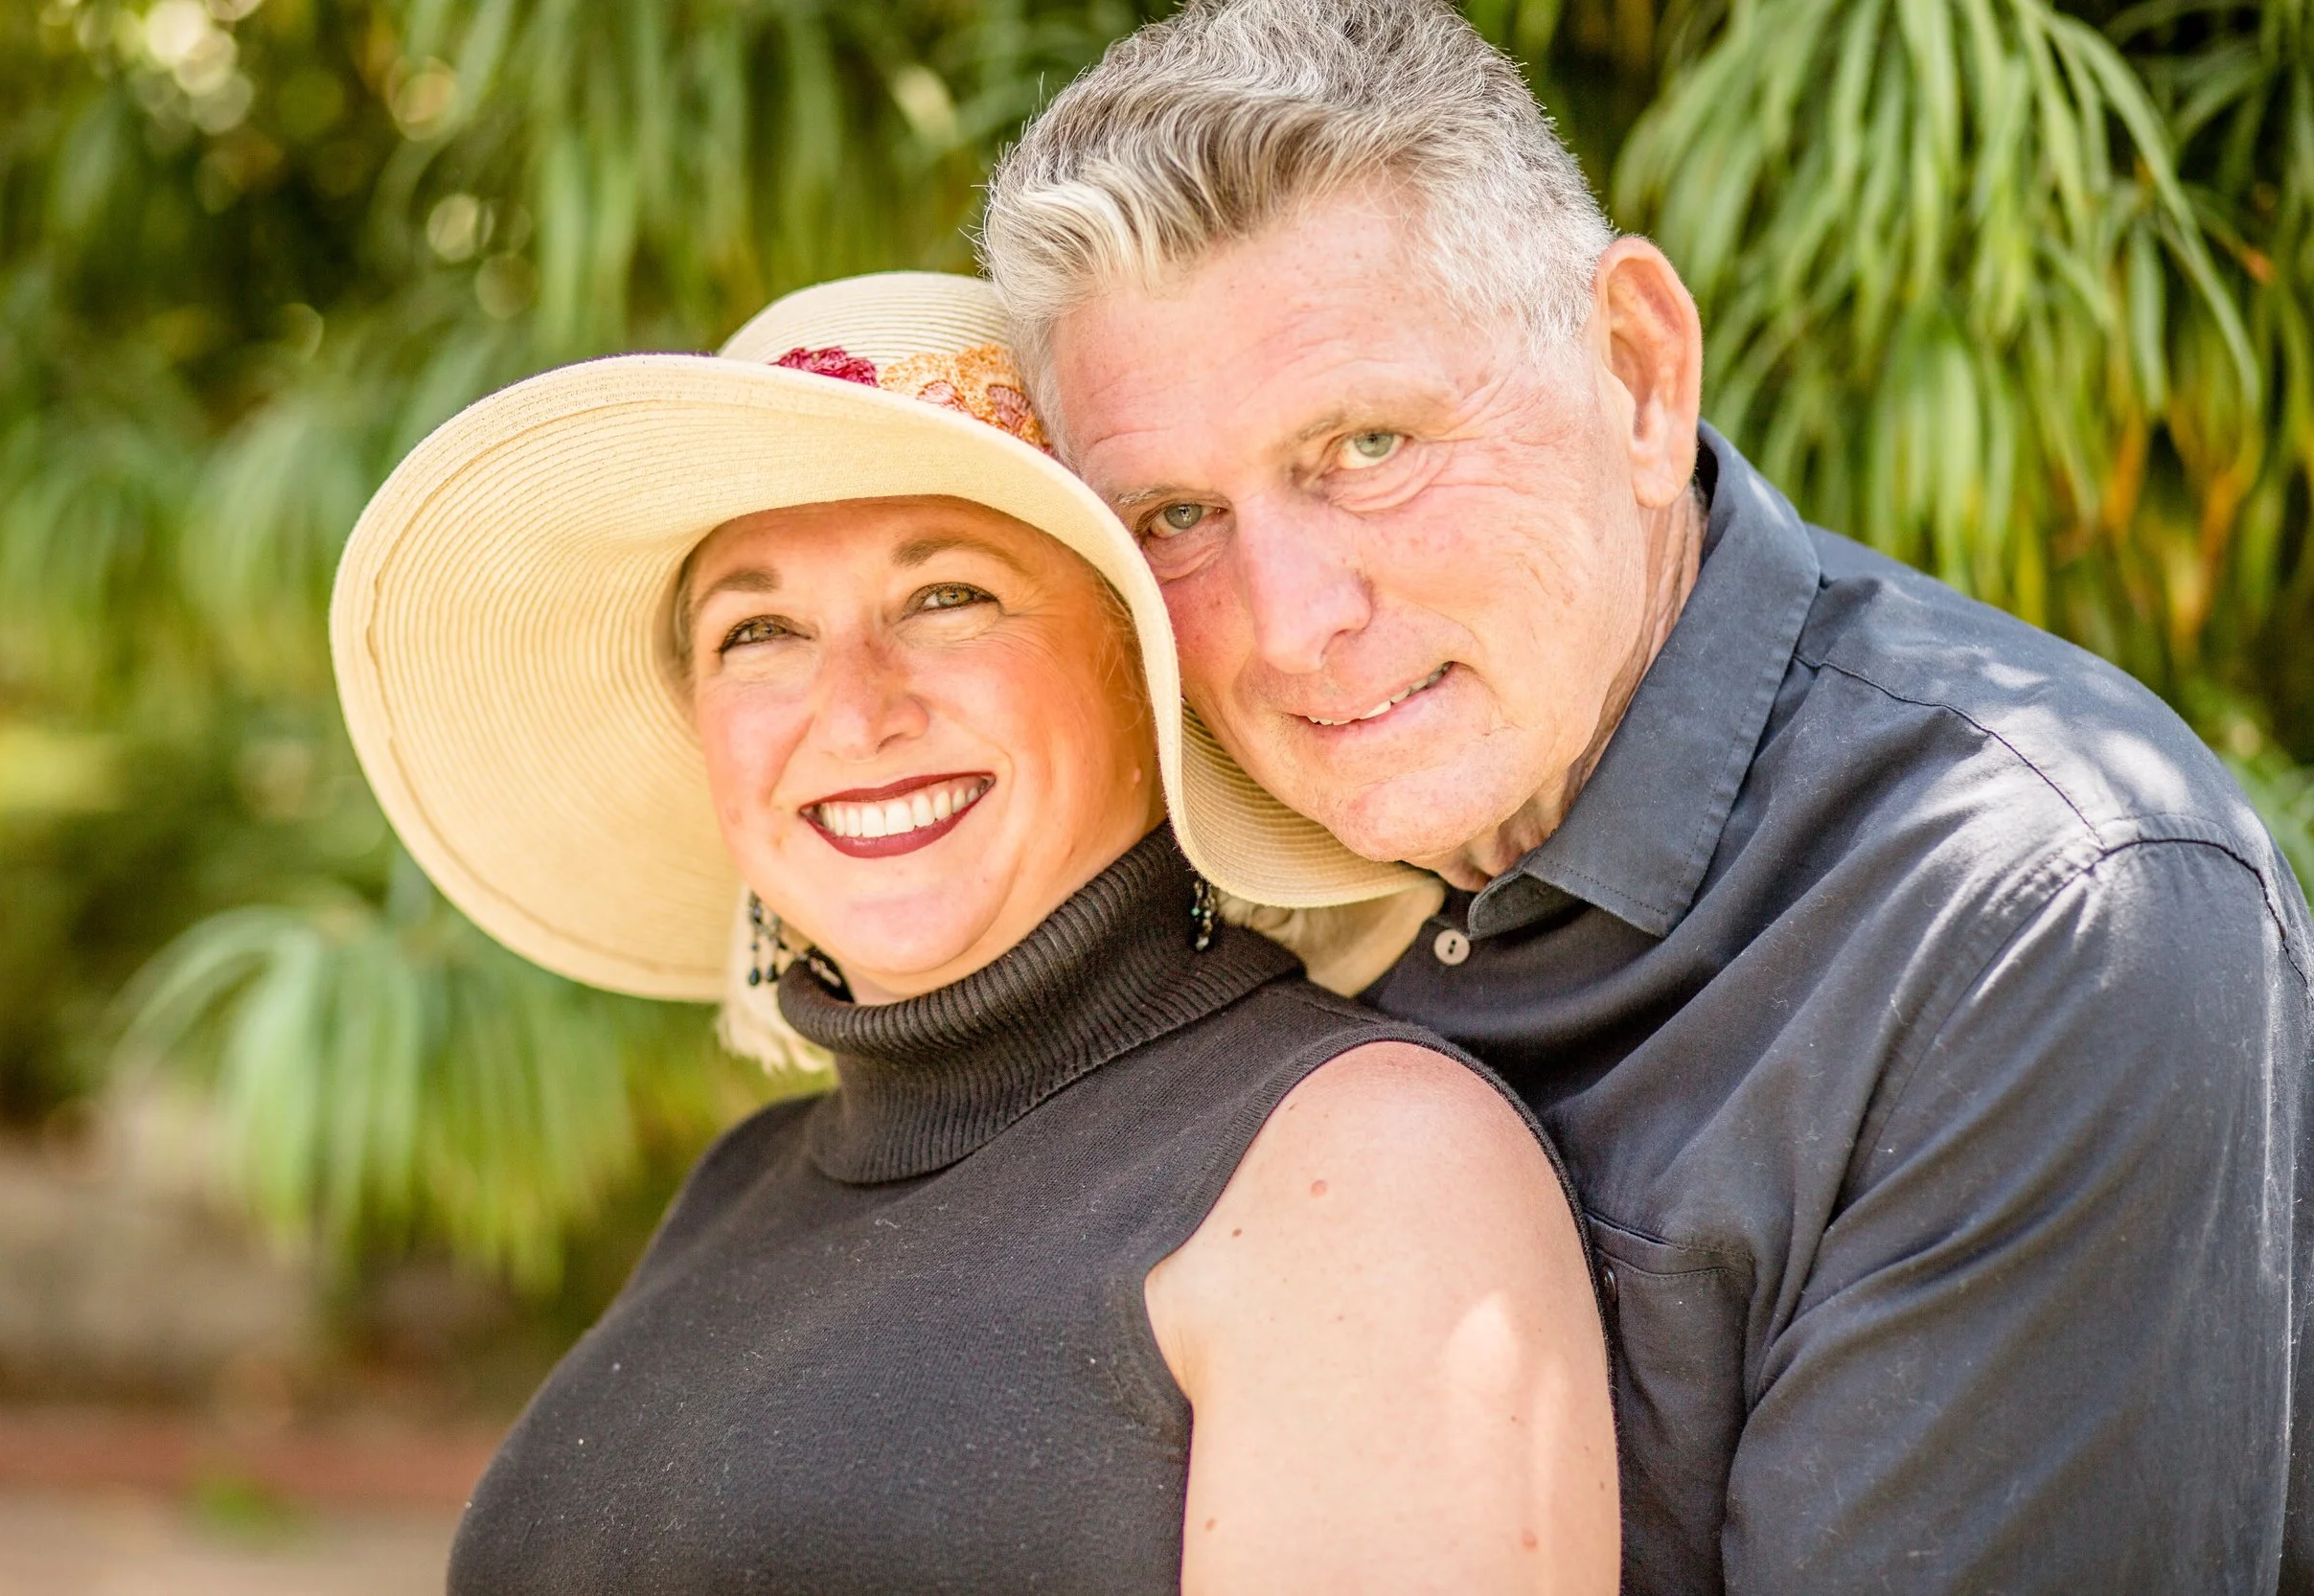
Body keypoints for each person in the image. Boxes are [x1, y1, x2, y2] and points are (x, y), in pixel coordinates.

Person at [979, 1, 2314, 1591]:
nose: (1287, 620)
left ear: (1634, 372)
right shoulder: (1197, 855)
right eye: (1179, 513)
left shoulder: (2034, 919)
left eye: (1369, 443)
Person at [330, 271, 1618, 1593]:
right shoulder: (741, 1188)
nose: (852, 712)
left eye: (947, 597)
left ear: (1141, 671)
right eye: (759, 630)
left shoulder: (1360, 1164)